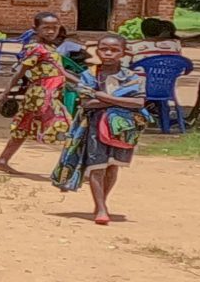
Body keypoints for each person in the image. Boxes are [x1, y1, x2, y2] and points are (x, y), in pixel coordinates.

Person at [57, 32, 145, 224]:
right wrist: (120, 102)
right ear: (97, 51)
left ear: (123, 53)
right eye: (104, 49)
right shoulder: (89, 75)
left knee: (113, 166)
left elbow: (138, 102)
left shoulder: (131, 76)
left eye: (114, 50)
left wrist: (102, 97)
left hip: (122, 129)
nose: (108, 53)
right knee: (97, 166)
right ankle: (101, 207)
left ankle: (102, 202)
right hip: (94, 126)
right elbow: (87, 103)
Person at [0, 10, 76, 175]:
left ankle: (2, 161)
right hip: (43, 96)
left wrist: (88, 85)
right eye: (46, 27)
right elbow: (20, 72)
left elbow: (61, 72)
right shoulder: (37, 49)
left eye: (55, 27)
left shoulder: (50, 49)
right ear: (35, 29)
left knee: (24, 127)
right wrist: (5, 93)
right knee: (70, 128)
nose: (51, 31)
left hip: (43, 95)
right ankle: (70, 169)